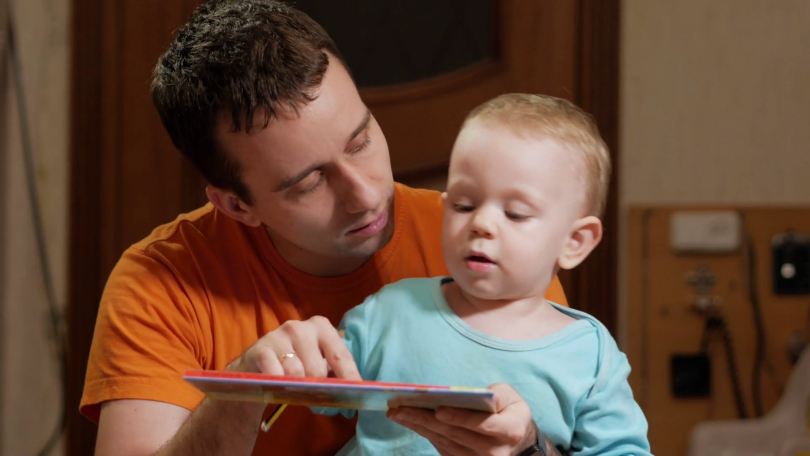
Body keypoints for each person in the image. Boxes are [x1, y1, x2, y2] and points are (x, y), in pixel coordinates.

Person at [81, 1, 569, 455]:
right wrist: (242, 390)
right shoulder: (159, 281)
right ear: (236, 205)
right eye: (309, 181)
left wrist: (527, 446)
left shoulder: (492, 243)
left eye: (360, 142)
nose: (365, 194)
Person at [316, 94, 651, 456]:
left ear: (574, 242)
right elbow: (319, 389)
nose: (481, 223)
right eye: (464, 205)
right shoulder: (389, 311)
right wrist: (299, 360)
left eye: (516, 213)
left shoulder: (589, 355)